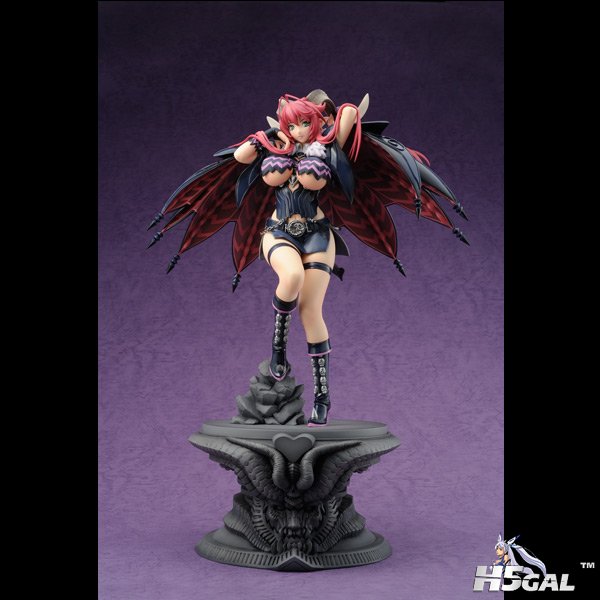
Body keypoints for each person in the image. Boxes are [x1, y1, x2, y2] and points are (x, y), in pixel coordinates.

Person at [147, 90, 469, 426]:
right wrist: (267, 135)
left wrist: (333, 113)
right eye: (293, 124)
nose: (299, 130)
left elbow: (349, 114)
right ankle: (279, 348)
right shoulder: (274, 146)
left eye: (305, 123)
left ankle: (322, 397)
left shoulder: (326, 148)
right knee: (292, 277)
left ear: (316, 121)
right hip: (278, 231)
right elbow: (240, 158)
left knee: (311, 311)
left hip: (317, 233)